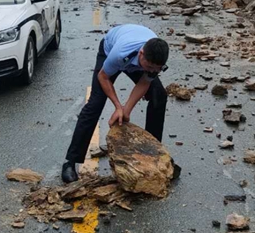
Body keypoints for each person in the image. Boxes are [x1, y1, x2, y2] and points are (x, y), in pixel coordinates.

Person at [62, 24, 174, 183]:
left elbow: (144, 82)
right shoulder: (120, 54)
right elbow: (103, 77)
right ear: (141, 54)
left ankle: (153, 155)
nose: (151, 71)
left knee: (159, 96)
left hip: (137, 57)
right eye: (149, 67)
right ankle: (70, 162)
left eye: (156, 69)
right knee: (95, 103)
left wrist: (126, 110)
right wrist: (117, 106)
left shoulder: (154, 63)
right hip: (110, 50)